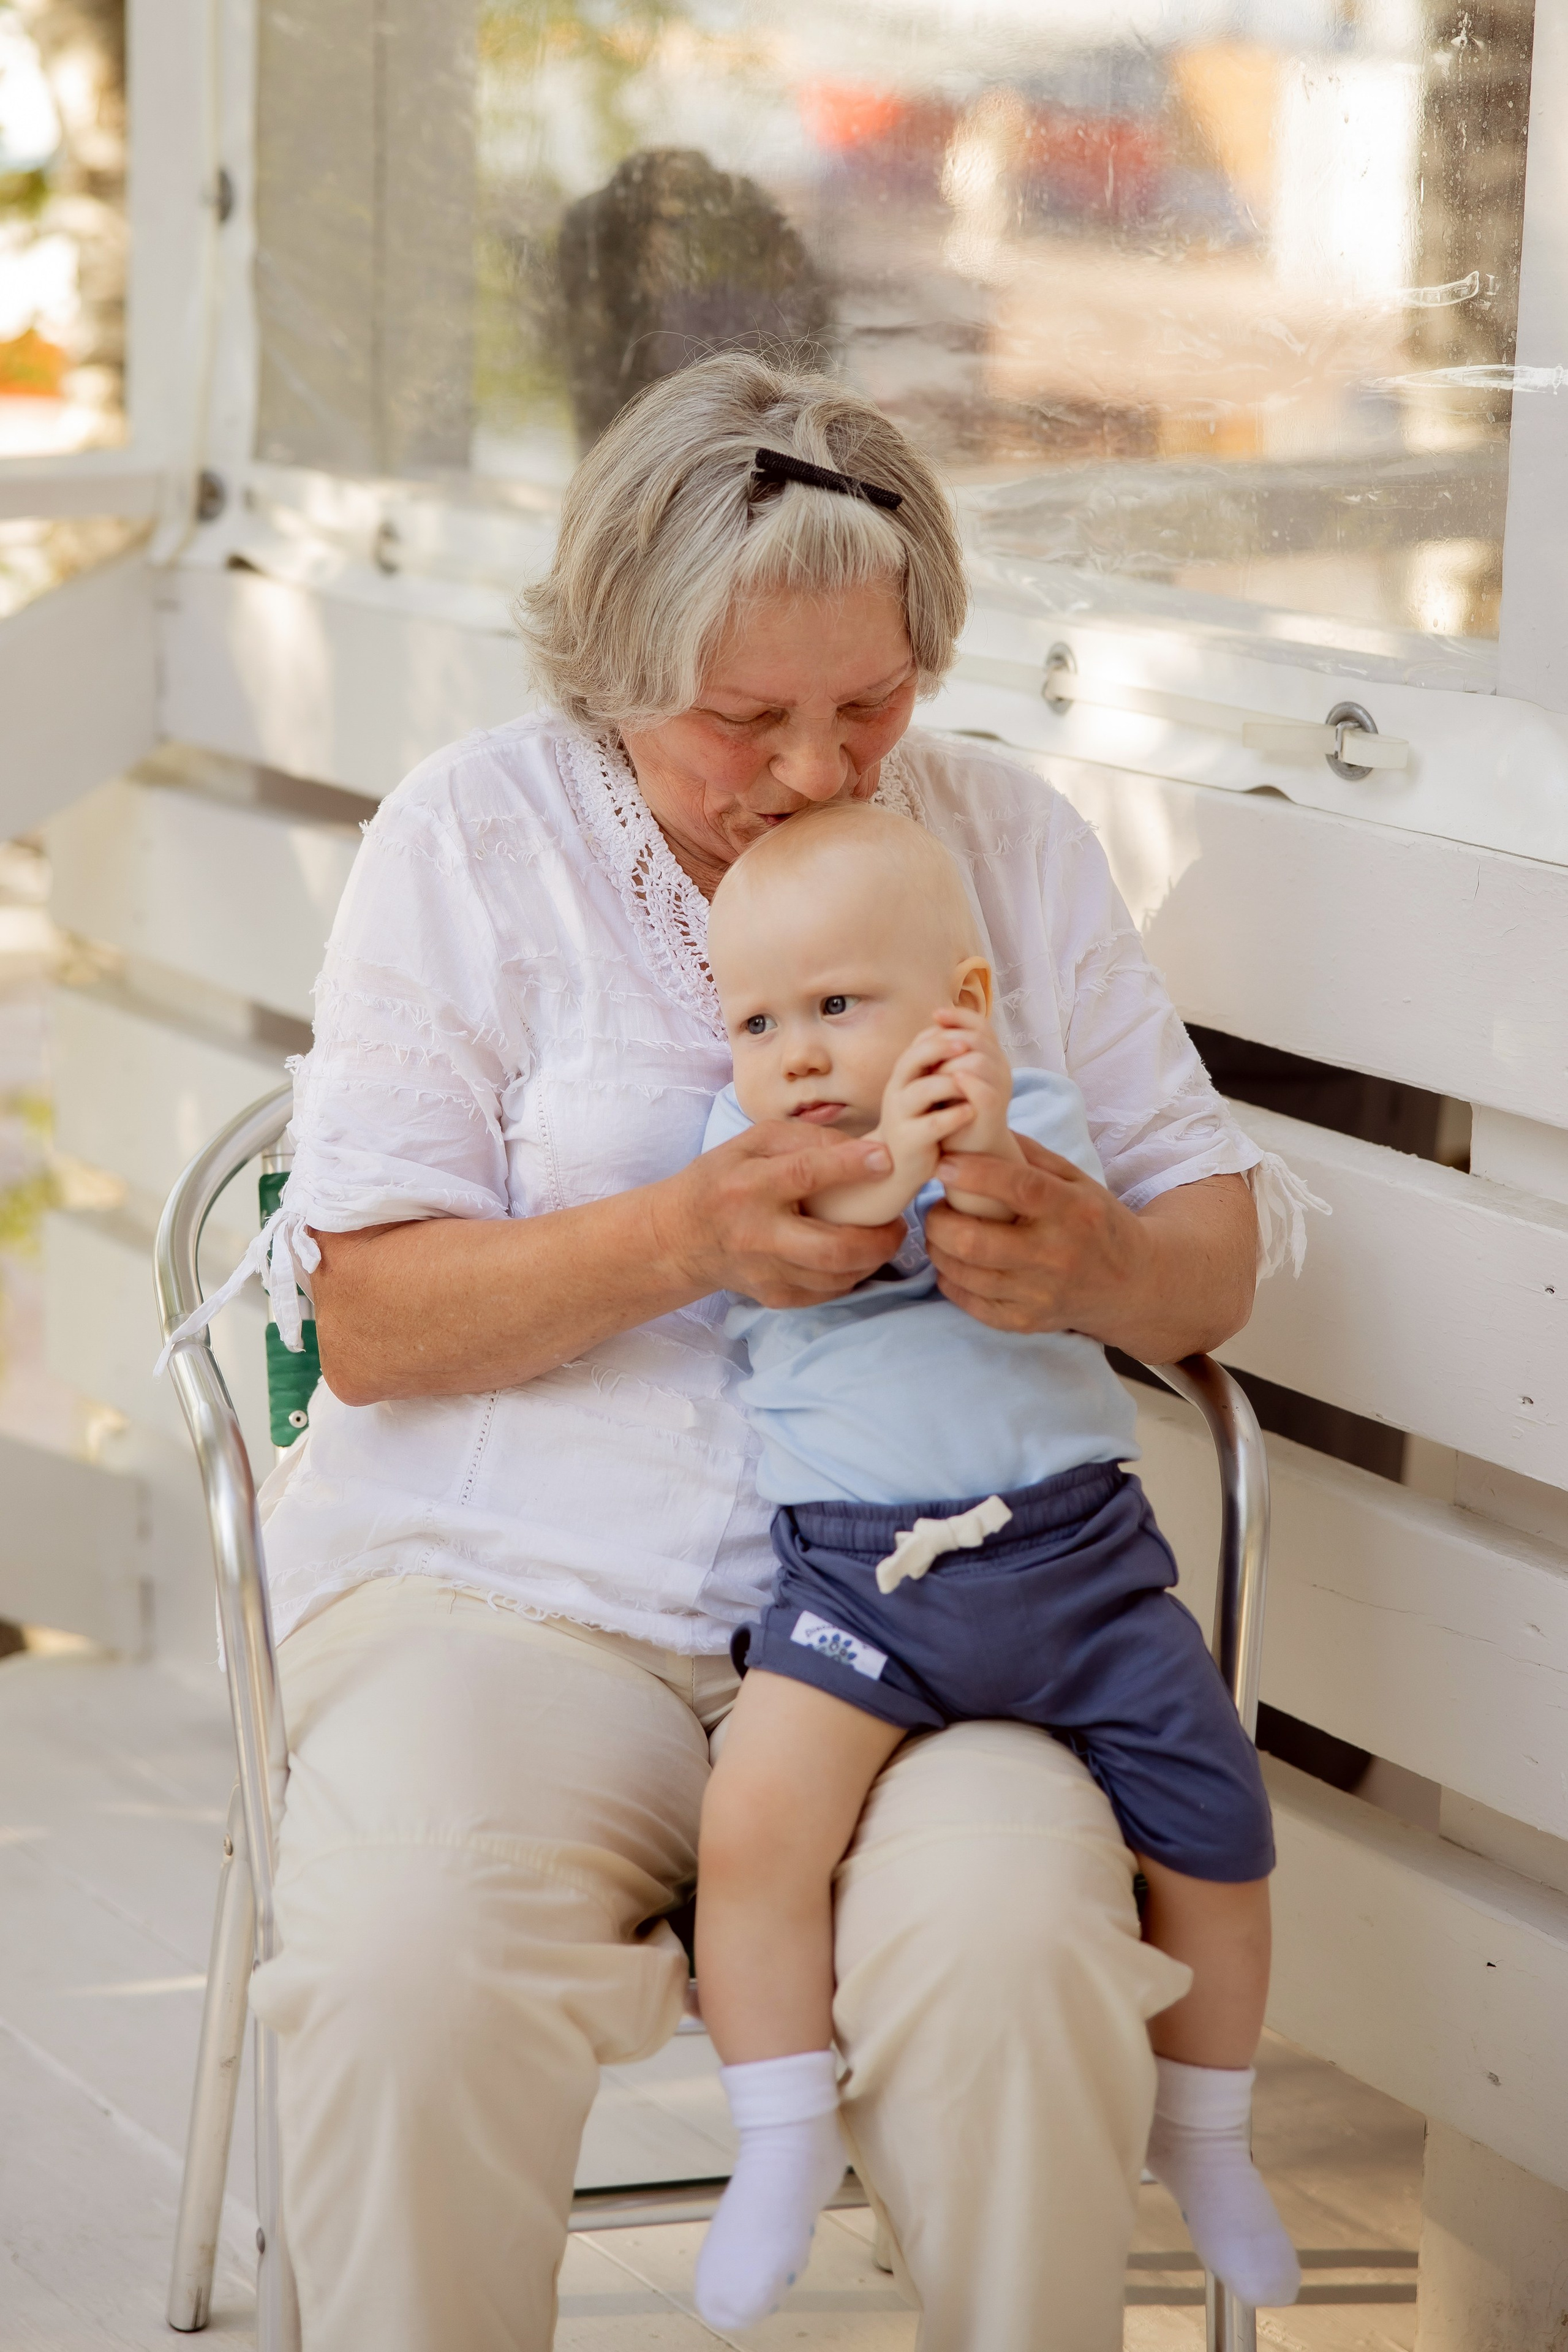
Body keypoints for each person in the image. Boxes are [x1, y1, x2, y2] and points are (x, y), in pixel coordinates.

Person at [170, 352, 1314, 2351]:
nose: (810, 768)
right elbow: (365, 1314)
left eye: (868, 705)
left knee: (1010, 1941)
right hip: (518, 1597)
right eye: (741, 720)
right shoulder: (471, 842)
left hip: (951, 1601)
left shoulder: (1006, 844)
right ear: (608, 672)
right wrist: (684, 1232)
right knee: (408, 1955)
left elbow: (1204, 1258)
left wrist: (1082, 1253)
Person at [690, 802, 1300, 2330]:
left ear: (958, 1009)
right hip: (859, 1590)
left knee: (1219, 1836)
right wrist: (894, 1150)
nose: (799, 1055)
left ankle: (1207, 2134)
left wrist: (982, 1148)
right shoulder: (746, 1157)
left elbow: (1030, 1234)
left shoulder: (1033, 1118)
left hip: (1077, 1568)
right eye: (758, 1020)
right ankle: (775, 2137)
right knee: (756, 1826)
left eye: (838, 1006)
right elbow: (835, 1230)